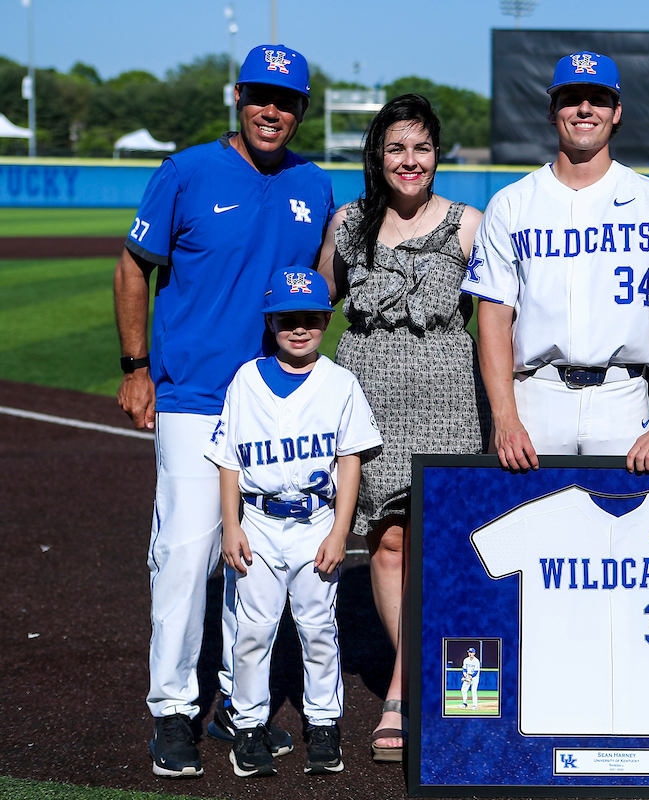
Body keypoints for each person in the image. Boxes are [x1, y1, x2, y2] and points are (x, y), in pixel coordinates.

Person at [114, 43, 334, 778]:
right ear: (239, 98)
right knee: (184, 555)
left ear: (303, 109)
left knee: (260, 559)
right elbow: (133, 267)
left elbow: (324, 289)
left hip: (279, 406)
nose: (273, 110)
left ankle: (239, 709)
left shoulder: (314, 184)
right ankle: (171, 709)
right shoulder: (187, 172)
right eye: (261, 96)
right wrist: (136, 367)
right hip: (195, 397)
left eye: (288, 100)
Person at [315, 93, 489, 763]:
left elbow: (499, 320)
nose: (409, 161)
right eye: (396, 148)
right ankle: (418, 671)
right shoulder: (350, 221)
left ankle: (399, 690)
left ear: (437, 155)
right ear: (378, 156)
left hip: (447, 394)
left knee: (433, 542)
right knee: (385, 543)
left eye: (420, 148)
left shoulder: (471, 224)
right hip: (366, 396)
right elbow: (310, 303)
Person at [462, 51, 649, 475]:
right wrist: (506, 419)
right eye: (571, 97)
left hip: (623, 399)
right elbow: (492, 319)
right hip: (536, 399)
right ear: (553, 110)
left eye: (598, 98)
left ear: (616, 112)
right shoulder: (511, 204)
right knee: (531, 538)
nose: (585, 108)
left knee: (622, 536)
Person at [208, 267, 382, 777]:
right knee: (253, 630)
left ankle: (324, 724)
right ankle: (248, 725)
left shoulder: (340, 382)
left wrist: (339, 531)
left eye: (310, 318)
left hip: (316, 523)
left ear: (327, 320)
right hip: (258, 523)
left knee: (319, 628)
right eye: (288, 319)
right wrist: (231, 524)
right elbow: (227, 460)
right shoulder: (246, 380)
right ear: (271, 322)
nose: (300, 328)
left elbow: (350, 459)